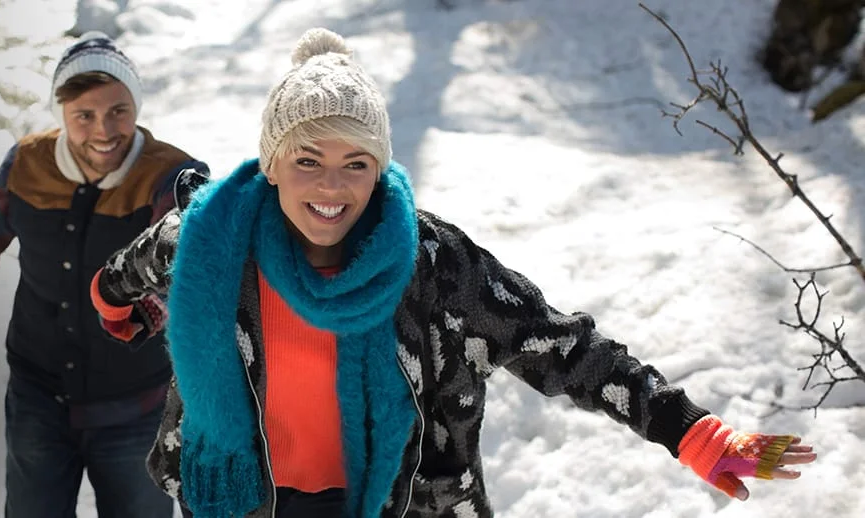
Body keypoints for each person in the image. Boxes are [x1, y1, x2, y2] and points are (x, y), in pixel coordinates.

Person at [88, 27, 818, 518]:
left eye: (356, 164)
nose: (331, 188)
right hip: (248, 500)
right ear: (273, 164)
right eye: (307, 160)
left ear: (381, 169)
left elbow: (562, 347)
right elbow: (124, 274)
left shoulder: (434, 265)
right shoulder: (213, 237)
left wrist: (690, 433)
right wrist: (118, 306)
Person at [0, 31, 208, 518]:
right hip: (38, 404)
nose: (104, 130)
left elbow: (194, 262)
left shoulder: (173, 175)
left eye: (119, 110)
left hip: (137, 412)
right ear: (61, 112)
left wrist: (155, 306)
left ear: (136, 107)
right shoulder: (26, 165)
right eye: (85, 115)